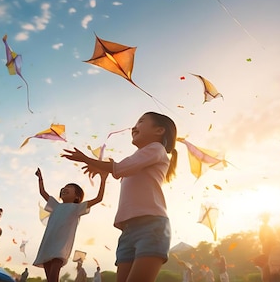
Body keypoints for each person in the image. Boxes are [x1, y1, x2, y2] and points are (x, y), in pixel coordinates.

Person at [62, 112, 178, 282]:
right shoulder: (140, 158)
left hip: (151, 227)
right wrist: (104, 172)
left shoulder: (156, 149)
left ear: (159, 130)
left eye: (141, 121)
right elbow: (121, 169)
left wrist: (87, 159)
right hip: (128, 230)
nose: (134, 127)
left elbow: (120, 168)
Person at [33, 167, 107, 282]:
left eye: (69, 188)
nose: (64, 189)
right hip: (48, 241)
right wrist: (40, 179)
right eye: (63, 188)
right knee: (49, 274)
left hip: (61, 245)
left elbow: (98, 198)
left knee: (55, 269)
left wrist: (103, 179)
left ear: (77, 197)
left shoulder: (77, 208)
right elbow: (43, 192)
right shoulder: (55, 205)